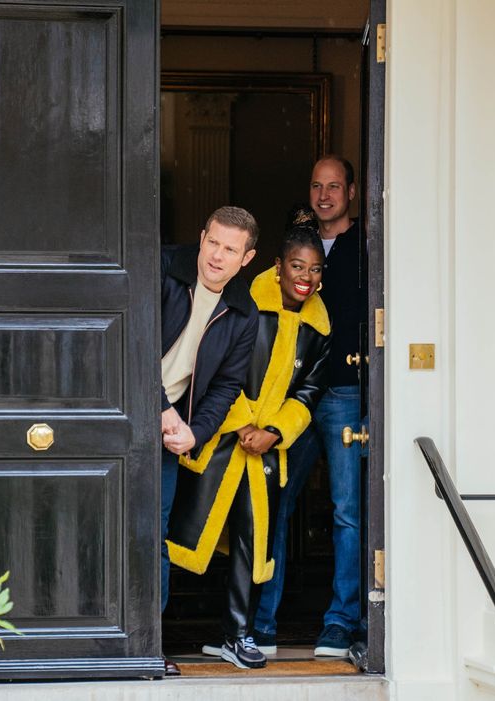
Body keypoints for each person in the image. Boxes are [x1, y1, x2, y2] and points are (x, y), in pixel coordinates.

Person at [166, 227, 331, 669]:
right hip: (216, 439)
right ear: (276, 267)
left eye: (315, 270)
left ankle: (236, 634)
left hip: (266, 452)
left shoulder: (319, 328)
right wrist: (240, 423)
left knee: (250, 541)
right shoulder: (244, 303)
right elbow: (220, 369)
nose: (305, 277)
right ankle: (154, 631)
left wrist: (275, 431)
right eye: (297, 266)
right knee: (181, 532)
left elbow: (309, 392)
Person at [253, 156, 369, 658]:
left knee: (347, 512)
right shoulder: (288, 250)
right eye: (317, 186)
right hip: (288, 399)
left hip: (344, 391)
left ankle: (341, 623)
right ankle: (260, 625)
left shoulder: (370, 244)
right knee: (274, 507)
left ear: (352, 191)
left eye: (335, 187)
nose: (325, 195)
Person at [159, 206, 260, 674]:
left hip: (170, 430)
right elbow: (130, 342)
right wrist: (162, 408)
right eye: (214, 243)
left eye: (231, 249)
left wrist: (194, 432)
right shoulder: (161, 270)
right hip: (125, 413)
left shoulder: (243, 312)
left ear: (247, 258)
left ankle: (145, 643)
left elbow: (225, 386)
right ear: (201, 238)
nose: (218, 256)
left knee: (151, 536)